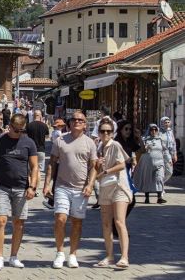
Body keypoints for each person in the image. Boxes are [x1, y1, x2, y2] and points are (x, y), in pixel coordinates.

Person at [44, 111, 98, 269]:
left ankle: (73, 254)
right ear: (69, 122)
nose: (77, 121)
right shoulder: (60, 140)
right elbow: (52, 163)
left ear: (85, 124)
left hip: (81, 188)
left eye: (80, 120)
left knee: (77, 223)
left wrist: (90, 185)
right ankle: (60, 253)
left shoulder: (90, 143)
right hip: (62, 186)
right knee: (60, 219)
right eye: (74, 119)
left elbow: (94, 166)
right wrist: (47, 184)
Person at [0, 114, 39, 271]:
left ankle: (14, 256)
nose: (16, 133)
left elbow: (35, 167)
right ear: (9, 125)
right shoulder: (0, 140)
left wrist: (33, 187)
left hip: (21, 187)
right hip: (1, 187)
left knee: (19, 223)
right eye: (14, 129)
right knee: (0, 221)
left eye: (20, 131)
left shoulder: (29, 143)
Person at [94, 118, 132, 269]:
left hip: (118, 186)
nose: (105, 134)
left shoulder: (115, 145)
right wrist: (98, 165)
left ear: (113, 133)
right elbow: (96, 170)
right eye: (102, 131)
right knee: (106, 223)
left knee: (119, 221)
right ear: (99, 132)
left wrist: (106, 171)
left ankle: (124, 257)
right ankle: (109, 256)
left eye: (108, 131)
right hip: (105, 187)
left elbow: (123, 164)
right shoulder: (99, 147)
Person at [113, 120, 143, 237]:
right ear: (120, 130)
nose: (128, 131)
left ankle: (117, 223)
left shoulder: (130, 142)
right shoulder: (116, 142)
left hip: (127, 174)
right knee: (126, 200)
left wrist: (139, 137)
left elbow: (142, 150)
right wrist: (125, 161)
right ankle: (117, 225)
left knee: (130, 200)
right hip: (118, 174)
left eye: (130, 129)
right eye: (126, 129)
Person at [133, 124, 170, 204]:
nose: (153, 131)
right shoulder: (145, 139)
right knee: (147, 179)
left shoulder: (160, 140)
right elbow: (141, 149)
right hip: (148, 163)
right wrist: (142, 141)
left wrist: (169, 159)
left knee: (159, 178)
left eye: (155, 130)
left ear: (157, 131)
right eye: (151, 130)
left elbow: (165, 150)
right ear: (149, 131)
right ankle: (147, 198)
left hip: (159, 163)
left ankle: (159, 197)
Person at [26, 110, 49, 181]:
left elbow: (25, 137)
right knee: (38, 171)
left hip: (30, 151)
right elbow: (47, 137)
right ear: (41, 116)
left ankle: (30, 187)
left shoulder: (29, 125)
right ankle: (35, 189)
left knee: (30, 171)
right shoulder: (44, 126)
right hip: (41, 150)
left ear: (33, 116)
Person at [159, 116, 176, 181]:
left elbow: (173, 143)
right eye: (165, 122)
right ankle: (160, 186)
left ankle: (161, 183)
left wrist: (175, 154)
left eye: (168, 122)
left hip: (168, 153)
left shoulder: (170, 131)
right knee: (161, 171)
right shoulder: (158, 131)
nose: (167, 124)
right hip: (160, 153)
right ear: (162, 123)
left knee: (169, 171)